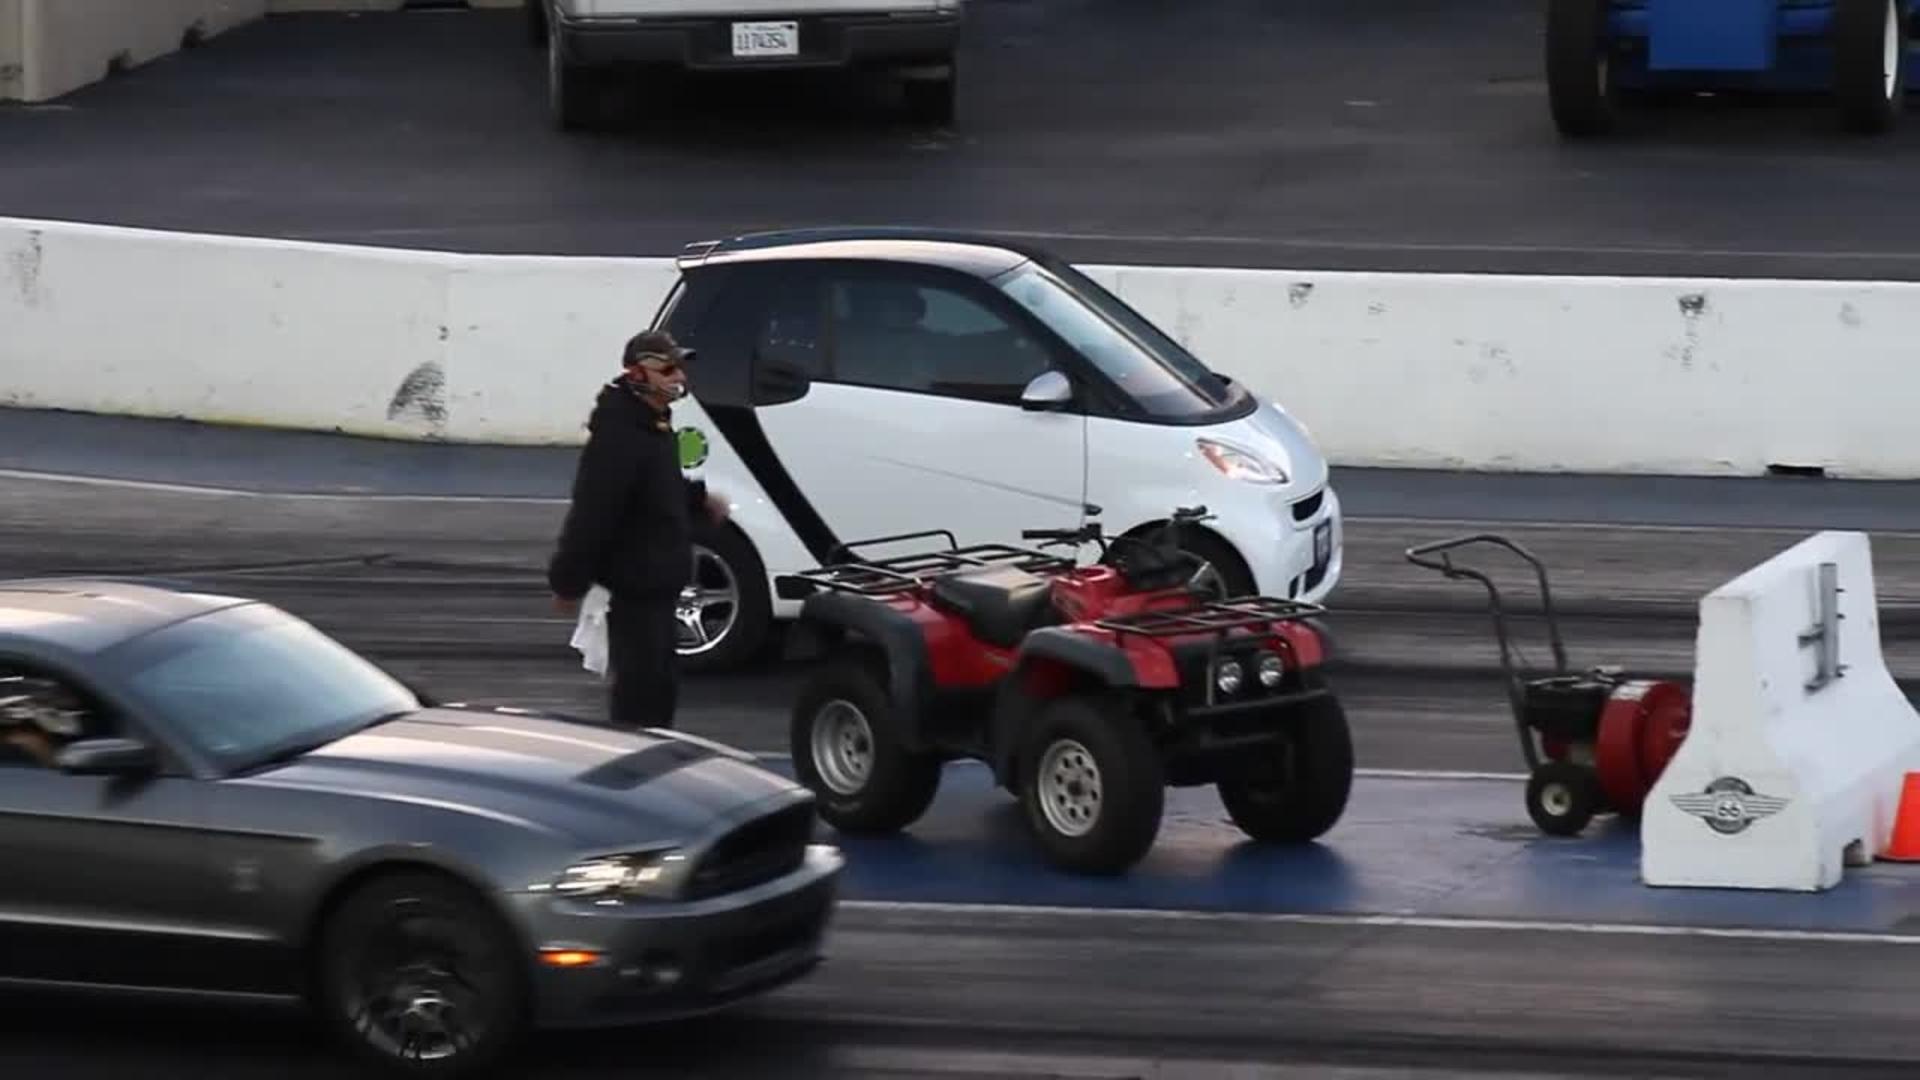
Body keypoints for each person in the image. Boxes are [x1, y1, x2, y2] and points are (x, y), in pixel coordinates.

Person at [548, 329, 728, 731]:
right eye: (666, 368)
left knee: (659, 691)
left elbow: (657, 486)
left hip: (659, 588)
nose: (678, 376)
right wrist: (568, 582)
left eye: (679, 367)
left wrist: (698, 500)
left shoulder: (652, 425)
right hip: (637, 591)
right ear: (636, 374)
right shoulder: (619, 436)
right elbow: (592, 515)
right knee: (640, 699)